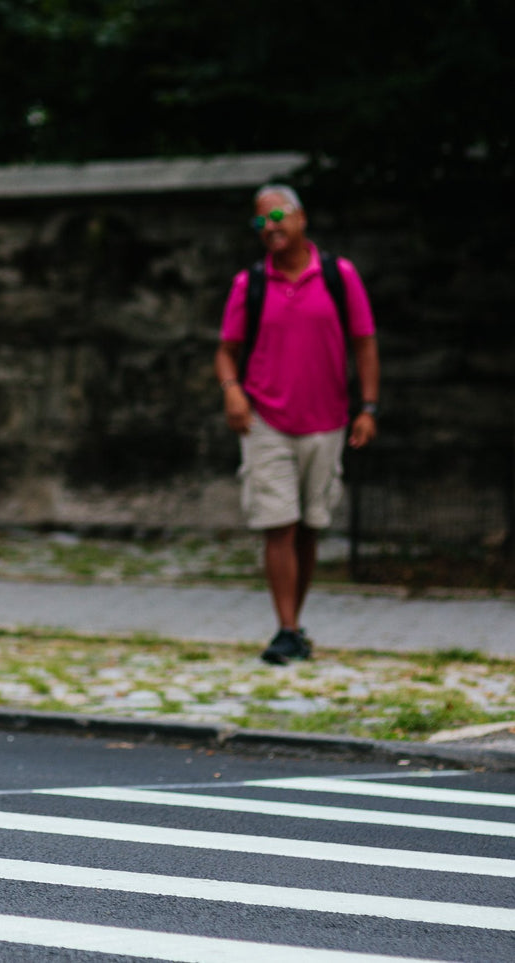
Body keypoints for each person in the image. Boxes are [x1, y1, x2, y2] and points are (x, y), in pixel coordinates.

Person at [213, 184, 380, 666]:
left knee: (309, 526)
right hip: (267, 419)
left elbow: (365, 342)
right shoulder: (251, 283)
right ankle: (285, 628)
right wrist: (233, 392)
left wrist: (368, 407)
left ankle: (296, 624)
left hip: (327, 420)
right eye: (260, 221)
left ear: (302, 218)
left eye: (279, 216)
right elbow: (226, 351)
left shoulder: (337, 275)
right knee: (278, 525)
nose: (270, 227)